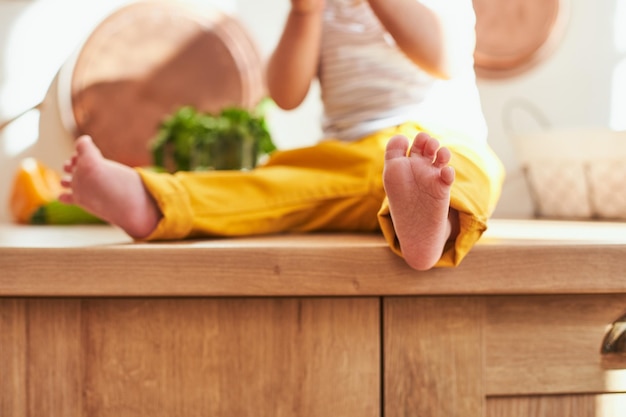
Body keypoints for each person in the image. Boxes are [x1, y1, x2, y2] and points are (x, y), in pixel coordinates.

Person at [59, 0, 505, 271]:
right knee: (273, 179)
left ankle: (434, 224)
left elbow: (445, 57)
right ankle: (156, 199)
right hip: (351, 158)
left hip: (440, 142)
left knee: (466, 172)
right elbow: (286, 93)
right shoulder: (323, 9)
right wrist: (304, 11)